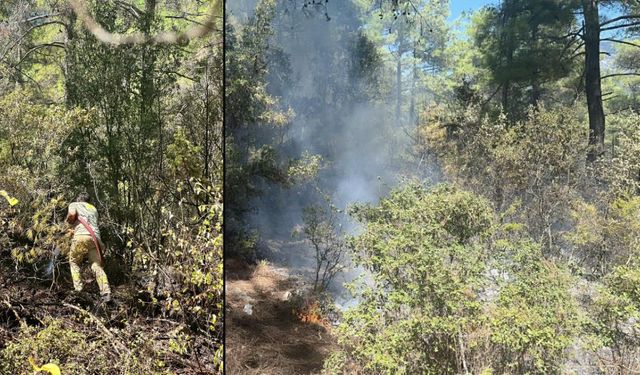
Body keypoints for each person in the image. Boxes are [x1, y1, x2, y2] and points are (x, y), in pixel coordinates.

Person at [65, 192, 111, 301]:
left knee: (74, 262)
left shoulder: (74, 204)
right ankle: (106, 292)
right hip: (95, 239)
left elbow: (72, 215)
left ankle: (78, 290)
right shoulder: (93, 208)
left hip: (81, 236)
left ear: (78, 199)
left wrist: (68, 221)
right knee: (96, 265)